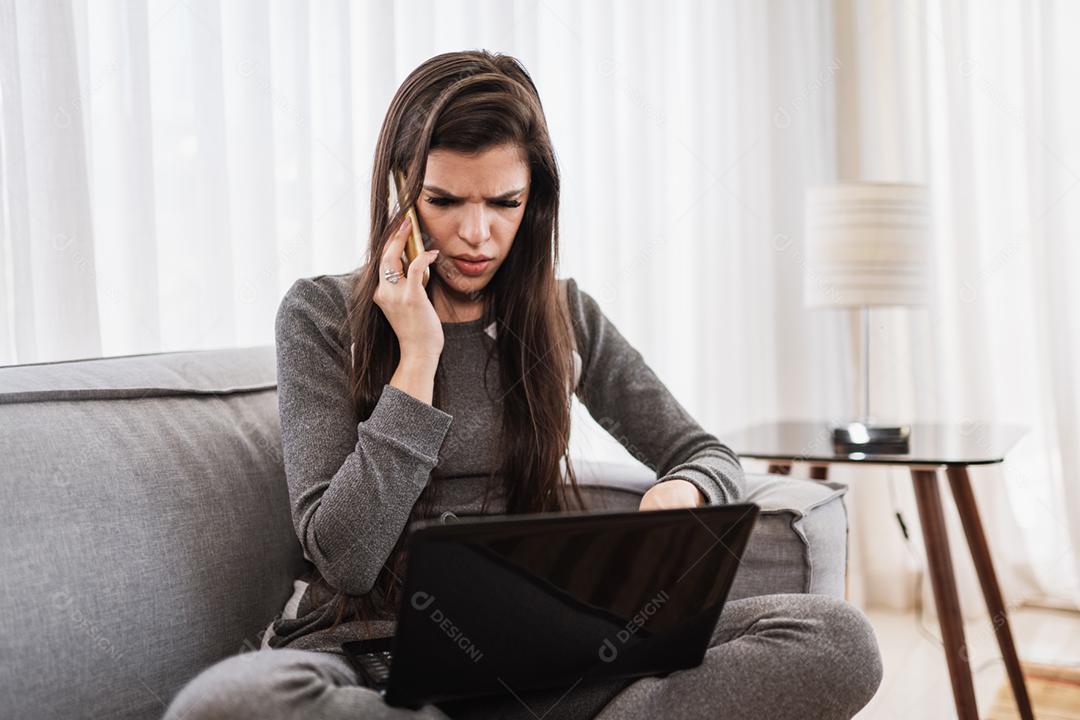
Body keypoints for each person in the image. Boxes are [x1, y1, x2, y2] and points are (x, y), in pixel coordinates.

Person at [164, 49, 881, 720]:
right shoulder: (320, 315)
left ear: (533, 198)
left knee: (835, 636)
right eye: (445, 201)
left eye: (503, 204)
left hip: (547, 645)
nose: (476, 234)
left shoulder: (564, 315)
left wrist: (680, 492)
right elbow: (345, 559)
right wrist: (417, 359)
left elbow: (703, 452)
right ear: (400, 188)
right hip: (375, 652)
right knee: (234, 703)